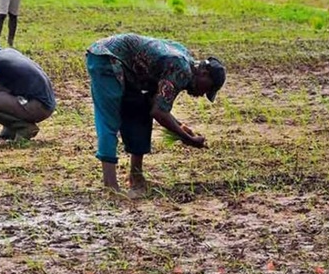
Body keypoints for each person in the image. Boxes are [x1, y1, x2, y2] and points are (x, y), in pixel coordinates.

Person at [86, 34, 226, 196]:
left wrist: (180, 128)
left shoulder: (184, 62)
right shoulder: (181, 70)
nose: (204, 94)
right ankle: (110, 187)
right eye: (208, 88)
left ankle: (136, 178)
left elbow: (155, 104)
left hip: (128, 68)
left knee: (141, 111)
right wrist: (186, 138)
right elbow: (159, 112)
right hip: (106, 57)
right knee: (108, 120)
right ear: (204, 73)